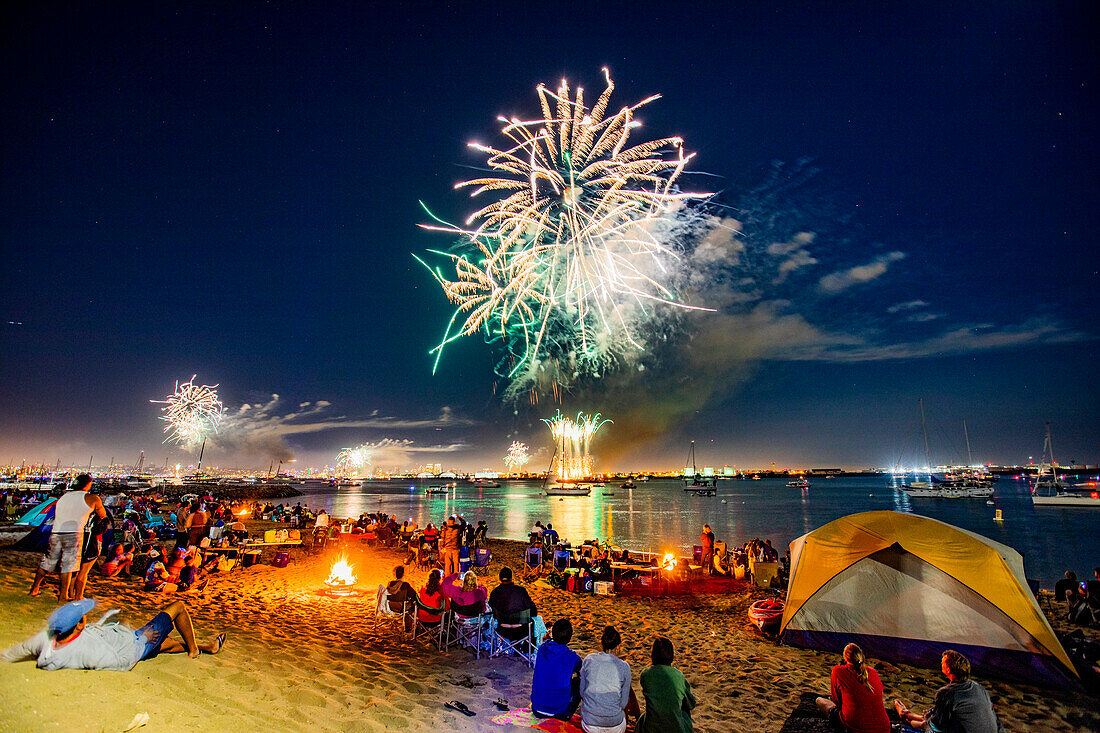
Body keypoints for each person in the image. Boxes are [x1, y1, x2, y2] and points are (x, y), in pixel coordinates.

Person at [2, 598, 224, 670]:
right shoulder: (87, 647)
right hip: (132, 645)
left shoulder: (49, 640)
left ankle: (207, 647)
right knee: (178, 606)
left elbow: (19, 651)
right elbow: (116, 660)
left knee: (165, 643)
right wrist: (139, 642)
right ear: (79, 625)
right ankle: (195, 650)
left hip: (126, 641)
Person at [29, 474, 107, 602]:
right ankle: (63, 595)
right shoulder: (92, 498)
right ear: (87, 484)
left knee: (48, 562)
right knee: (68, 565)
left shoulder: (64, 497)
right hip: (74, 532)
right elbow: (102, 515)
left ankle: (35, 588)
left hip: (57, 531)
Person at [894, 650, 1003, 733]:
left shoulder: (947, 693)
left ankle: (905, 719)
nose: (941, 662)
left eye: (943, 662)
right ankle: (906, 714)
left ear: (949, 670)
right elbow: (939, 715)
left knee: (922, 726)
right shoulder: (978, 687)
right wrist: (911, 714)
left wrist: (911, 720)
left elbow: (936, 724)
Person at [814, 643, 890, 733]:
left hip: (855, 726)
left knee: (820, 701)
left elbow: (837, 702)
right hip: (884, 728)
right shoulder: (872, 672)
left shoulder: (838, 671)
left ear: (845, 658)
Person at [579, 626, 638, 733]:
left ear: (601, 643)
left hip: (590, 725)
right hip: (615, 726)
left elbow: (582, 693)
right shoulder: (624, 666)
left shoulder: (589, 659)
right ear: (619, 646)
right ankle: (637, 718)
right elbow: (624, 703)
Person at [637, 636, 697, 733]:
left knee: (643, 718)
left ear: (653, 655)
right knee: (685, 711)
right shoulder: (678, 675)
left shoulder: (645, 674)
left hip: (651, 727)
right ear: (672, 656)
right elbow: (691, 703)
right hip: (675, 728)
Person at [532, 618, 582, 720]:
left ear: (553, 634)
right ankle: (567, 714)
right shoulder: (572, 657)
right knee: (578, 682)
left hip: (536, 709)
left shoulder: (542, 649)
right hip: (559, 712)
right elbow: (579, 668)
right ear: (569, 638)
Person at [488, 566, 538, 640]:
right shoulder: (521, 591)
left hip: (503, 629)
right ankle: (529, 647)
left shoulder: (495, 592)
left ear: (499, 579)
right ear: (511, 578)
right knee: (537, 620)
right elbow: (533, 611)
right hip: (521, 630)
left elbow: (491, 609)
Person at [385, 565, 416, 631]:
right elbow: (414, 595)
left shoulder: (389, 584)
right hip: (401, 607)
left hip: (390, 606)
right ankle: (408, 627)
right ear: (403, 574)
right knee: (412, 606)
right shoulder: (405, 585)